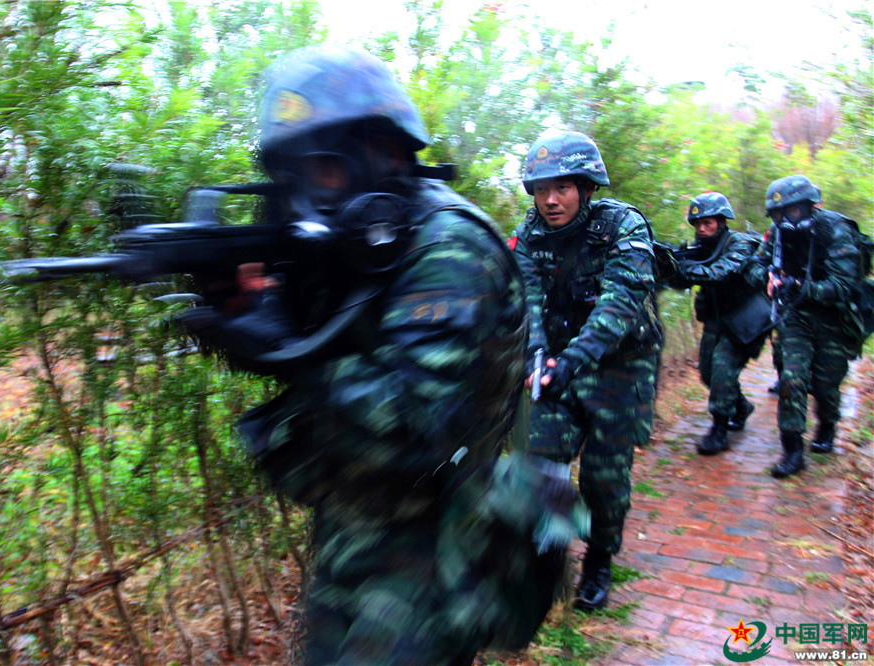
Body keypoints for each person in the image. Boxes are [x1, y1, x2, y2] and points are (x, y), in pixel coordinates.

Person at [180, 46, 574, 665]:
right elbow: (333, 355)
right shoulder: (358, 246)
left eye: (325, 173)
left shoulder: (448, 247)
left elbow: (419, 427)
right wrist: (249, 316)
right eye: (293, 180)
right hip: (355, 532)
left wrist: (287, 350)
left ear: (386, 153)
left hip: (432, 557)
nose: (307, 198)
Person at [509, 130, 662, 612]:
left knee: (603, 476)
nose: (550, 200)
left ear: (586, 187)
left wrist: (569, 362)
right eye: (540, 189)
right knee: (538, 457)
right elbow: (528, 300)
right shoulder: (530, 233)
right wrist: (537, 354)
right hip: (557, 362)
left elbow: (619, 307)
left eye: (562, 188)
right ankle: (545, 554)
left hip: (621, 365)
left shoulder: (624, 226)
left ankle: (599, 558)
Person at [745, 175, 865, 478]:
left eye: (791, 211)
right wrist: (768, 279)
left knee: (826, 385)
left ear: (810, 206)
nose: (784, 219)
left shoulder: (835, 230)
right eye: (778, 214)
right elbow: (754, 267)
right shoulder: (776, 233)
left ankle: (827, 423)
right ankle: (793, 450)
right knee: (792, 379)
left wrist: (800, 285)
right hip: (795, 316)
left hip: (834, 317)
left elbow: (843, 286)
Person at [668, 192, 768, 455]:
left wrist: (686, 268)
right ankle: (741, 406)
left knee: (723, 370)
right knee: (708, 373)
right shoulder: (700, 247)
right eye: (697, 224)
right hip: (716, 318)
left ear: (722, 222)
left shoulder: (741, 243)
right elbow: (681, 282)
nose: (701, 229)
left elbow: (721, 273)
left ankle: (719, 431)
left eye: (707, 223)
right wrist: (670, 266)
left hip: (745, 318)